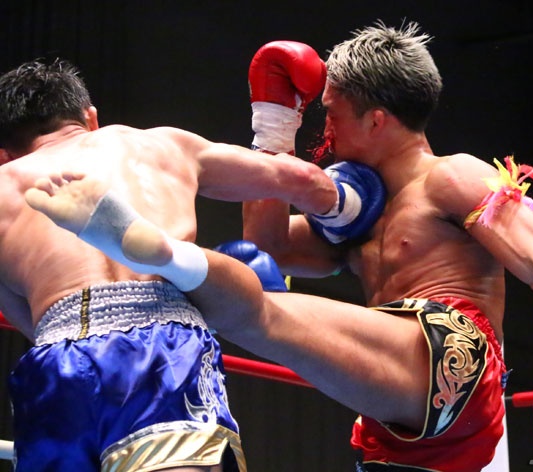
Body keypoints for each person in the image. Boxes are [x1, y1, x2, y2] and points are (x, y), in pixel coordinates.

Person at [0, 52, 371, 471]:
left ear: (4, 155)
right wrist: (357, 206)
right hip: (159, 344)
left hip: (55, 356)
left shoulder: (5, 184)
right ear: (92, 117)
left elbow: (26, 318)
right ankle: (160, 254)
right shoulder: (159, 144)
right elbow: (303, 181)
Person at [241, 21, 533, 470]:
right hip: (398, 422)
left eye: (332, 113)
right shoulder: (355, 215)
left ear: (375, 120)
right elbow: (266, 250)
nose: (325, 129)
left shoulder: (452, 176)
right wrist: (274, 125)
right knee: (244, 278)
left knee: (241, 303)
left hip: (458, 375)